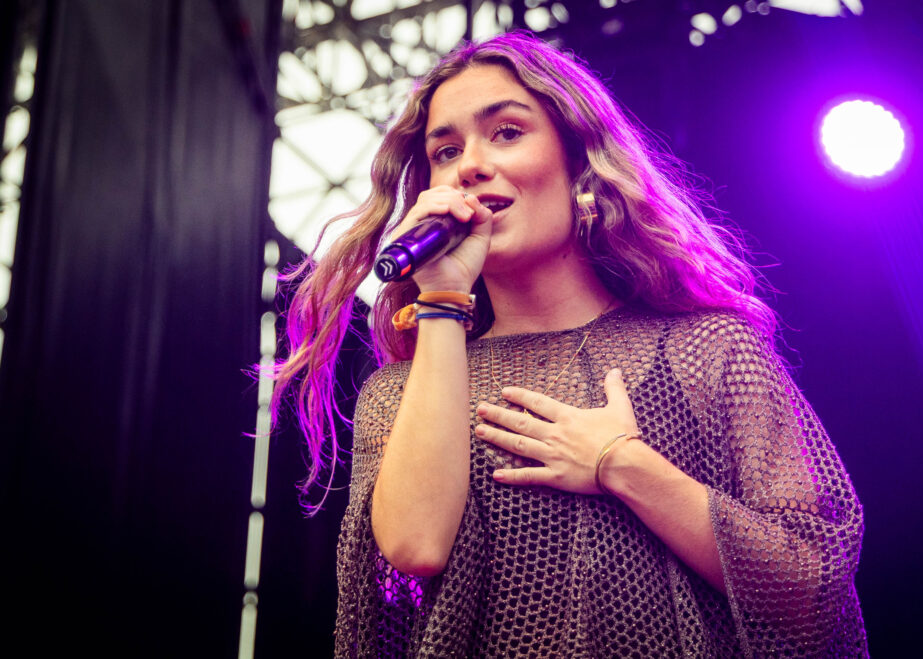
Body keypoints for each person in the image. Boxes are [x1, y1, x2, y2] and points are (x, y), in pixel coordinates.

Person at [274, 32, 867, 658]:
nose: (469, 164)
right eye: (446, 151)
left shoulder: (708, 348)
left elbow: (811, 583)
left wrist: (621, 465)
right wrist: (443, 297)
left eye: (507, 132)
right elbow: (415, 547)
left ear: (578, 161)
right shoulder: (399, 392)